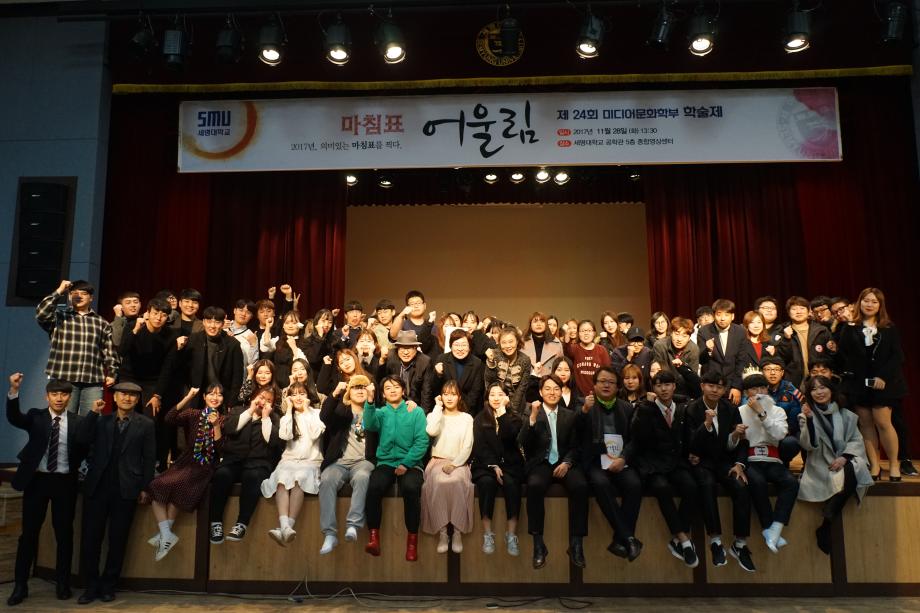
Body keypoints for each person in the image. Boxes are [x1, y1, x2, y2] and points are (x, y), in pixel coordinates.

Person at [75, 382, 156, 604]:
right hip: (97, 487)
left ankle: (109, 586)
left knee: (118, 540)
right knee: (91, 539)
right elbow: (81, 439)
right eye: (123, 394)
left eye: (132, 395)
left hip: (126, 489)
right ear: (115, 397)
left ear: (137, 400)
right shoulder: (101, 420)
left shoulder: (146, 424)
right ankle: (91, 586)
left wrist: (145, 487)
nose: (127, 398)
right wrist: (93, 413)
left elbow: (149, 458)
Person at [6, 375, 82, 606]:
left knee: (64, 535)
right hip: (37, 481)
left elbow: (87, 445)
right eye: (54, 394)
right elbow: (15, 418)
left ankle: (62, 584)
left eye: (64, 394)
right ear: (47, 396)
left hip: (65, 483)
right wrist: (14, 390)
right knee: (29, 534)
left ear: (69, 397)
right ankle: (20, 586)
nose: (59, 398)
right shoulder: (35, 417)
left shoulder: (78, 421)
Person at [623, 371, 699, 568]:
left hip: (675, 462)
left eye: (667, 384)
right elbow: (637, 437)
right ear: (653, 388)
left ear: (674, 386)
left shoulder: (682, 408)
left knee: (691, 486)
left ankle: (677, 540)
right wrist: (646, 408)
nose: (663, 389)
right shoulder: (644, 408)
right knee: (662, 488)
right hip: (652, 465)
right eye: (658, 385)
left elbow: (688, 436)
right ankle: (683, 539)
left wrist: (693, 453)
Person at [145, 384, 224, 562]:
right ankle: (166, 534)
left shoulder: (224, 419)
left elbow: (221, 449)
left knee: (179, 488)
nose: (215, 397)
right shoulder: (193, 414)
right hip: (186, 461)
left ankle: (165, 535)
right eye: (211, 394)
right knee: (156, 485)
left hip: (205, 465)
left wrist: (216, 425)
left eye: (219, 395)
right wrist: (188, 397)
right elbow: (169, 418)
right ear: (204, 397)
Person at [518, 375, 589, 569]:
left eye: (556, 389)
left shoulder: (570, 415)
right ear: (541, 393)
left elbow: (576, 445)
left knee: (581, 486)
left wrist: (567, 462)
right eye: (547, 389)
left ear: (561, 391)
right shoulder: (531, 412)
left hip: (564, 462)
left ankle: (576, 544)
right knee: (534, 485)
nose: (552, 392)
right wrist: (532, 419)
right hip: (541, 463)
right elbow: (522, 442)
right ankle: (538, 544)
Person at [798, 375, 874, 555]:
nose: (819, 392)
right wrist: (810, 420)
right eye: (814, 389)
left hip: (843, 458)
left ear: (831, 391)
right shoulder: (805, 415)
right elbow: (808, 445)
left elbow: (856, 440)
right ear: (809, 394)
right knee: (849, 474)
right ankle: (827, 523)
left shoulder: (846, 415)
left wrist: (844, 457)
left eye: (822, 387)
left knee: (852, 468)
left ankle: (826, 522)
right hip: (821, 461)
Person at [837, 288, 907, 481]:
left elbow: (897, 356)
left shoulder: (888, 327)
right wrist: (847, 325)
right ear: (859, 303)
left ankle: (894, 464)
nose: (869, 304)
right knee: (865, 424)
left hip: (884, 384)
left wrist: (882, 377)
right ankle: (875, 465)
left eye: (874, 302)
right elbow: (844, 354)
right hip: (859, 383)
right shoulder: (850, 327)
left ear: (880, 305)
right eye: (866, 300)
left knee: (883, 423)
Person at [684, 371, 752, 570]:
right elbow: (691, 445)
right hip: (702, 462)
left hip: (725, 461)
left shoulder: (730, 408)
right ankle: (715, 541)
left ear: (724, 390)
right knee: (707, 485)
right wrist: (706, 424)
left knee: (741, 485)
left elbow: (742, 440)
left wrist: (739, 464)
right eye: (711, 385)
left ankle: (740, 544)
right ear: (702, 386)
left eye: (720, 387)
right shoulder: (691, 409)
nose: (715, 390)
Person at [579, 367, 643, 562]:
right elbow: (576, 437)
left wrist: (623, 458)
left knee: (634, 484)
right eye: (602, 381)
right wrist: (584, 412)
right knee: (600, 483)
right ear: (594, 385)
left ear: (617, 386)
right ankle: (629, 538)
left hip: (620, 460)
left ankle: (620, 541)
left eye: (611, 382)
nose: (606, 385)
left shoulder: (627, 408)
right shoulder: (584, 405)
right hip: (595, 462)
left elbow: (635, 440)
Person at [363, 376, 429, 561]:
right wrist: (370, 401)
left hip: (411, 463)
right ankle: (374, 538)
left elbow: (422, 442)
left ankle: (412, 543)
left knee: (411, 488)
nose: (392, 390)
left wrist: (405, 464)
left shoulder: (415, 412)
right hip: (386, 462)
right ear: (383, 394)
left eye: (396, 387)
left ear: (403, 390)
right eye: (388, 388)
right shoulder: (381, 412)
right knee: (374, 486)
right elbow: (369, 424)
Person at [737, 368, 799, 560]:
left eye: (762, 388)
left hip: (773, 459)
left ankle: (775, 528)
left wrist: (762, 413)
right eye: (754, 389)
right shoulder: (739, 412)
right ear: (746, 393)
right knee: (757, 483)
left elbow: (780, 435)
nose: (759, 393)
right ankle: (768, 528)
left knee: (791, 482)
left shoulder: (777, 410)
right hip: (751, 460)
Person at [35, 279, 118, 415]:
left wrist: (112, 372)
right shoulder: (60, 317)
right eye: (74, 293)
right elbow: (41, 313)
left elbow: (108, 349)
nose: (78, 296)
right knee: (64, 419)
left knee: (92, 420)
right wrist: (59, 291)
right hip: (65, 378)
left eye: (83, 293)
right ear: (69, 296)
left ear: (91, 298)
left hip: (92, 380)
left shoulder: (101, 322)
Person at [208, 387, 279, 544]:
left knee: (253, 477)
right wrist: (250, 411)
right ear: (253, 397)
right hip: (233, 459)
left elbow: (272, 441)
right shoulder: (238, 411)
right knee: (222, 475)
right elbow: (230, 429)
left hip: (258, 463)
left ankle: (241, 524)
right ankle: (215, 523)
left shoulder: (273, 418)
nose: (263, 402)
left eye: (269, 400)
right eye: (261, 397)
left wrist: (265, 417)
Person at [318, 374, 378, 555]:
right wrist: (335, 393)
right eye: (355, 387)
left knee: (362, 477)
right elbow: (324, 416)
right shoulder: (341, 412)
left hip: (363, 461)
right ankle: (330, 534)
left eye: (363, 387)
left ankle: (353, 524)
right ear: (349, 392)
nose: (359, 390)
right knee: (326, 480)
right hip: (339, 462)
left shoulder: (374, 412)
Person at [261, 381, 325, 546]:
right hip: (289, 460)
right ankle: (285, 526)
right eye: (294, 394)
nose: (298, 397)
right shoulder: (286, 417)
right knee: (282, 480)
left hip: (310, 461)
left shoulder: (317, 413)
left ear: (308, 396)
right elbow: (285, 436)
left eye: (302, 394)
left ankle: (285, 527)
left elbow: (315, 434)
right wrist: (289, 410)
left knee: (299, 480)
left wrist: (306, 411)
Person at [119, 297, 179, 472]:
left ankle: (150, 463)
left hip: (152, 381)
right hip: (129, 377)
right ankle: (123, 459)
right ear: (148, 313)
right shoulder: (134, 327)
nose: (159, 318)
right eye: (155, 313)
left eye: (163, 315)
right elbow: (122, 351)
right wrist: (135, 331)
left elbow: (167, 368)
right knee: (126, 417)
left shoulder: (171, 335)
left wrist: (157, 395)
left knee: (150, 420)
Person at [422, 381, 475, 554]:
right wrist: (437, 407)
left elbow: (468, 445)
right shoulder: (434, 414)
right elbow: (431, 431)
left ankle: (457, 531)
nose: (449, 397)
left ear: (459, 397)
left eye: (453, 394)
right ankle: (443, 532)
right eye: (445, 394)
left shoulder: (467, 418)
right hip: (437, 461)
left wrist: (454, 464)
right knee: (439, 481)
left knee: (457, 480)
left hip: (459, 461)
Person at [471, 383, 524, 556]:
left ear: (507, 398)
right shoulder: (480, 418)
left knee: (512, 484)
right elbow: (480, 447)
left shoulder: (515, 419)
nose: (496, 398)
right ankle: (488, 534)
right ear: (487, 398)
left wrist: (502, 413)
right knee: (486, 483)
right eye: (492, 394)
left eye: (500, 394)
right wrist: (493, 466)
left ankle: (511, 535)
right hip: (486, 465)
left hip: (510, 464)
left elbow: (509, 438)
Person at [696, 299, 747, 405]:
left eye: (726, 315)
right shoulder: (704, 331)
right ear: (714, 315)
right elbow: (701, 360)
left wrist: (736, 387)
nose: (722, 318)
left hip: (731, 385)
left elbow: (741, 361)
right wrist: (708, 350)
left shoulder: (740, 331)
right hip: (711, 385)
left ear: (732, 316)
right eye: (719, 314)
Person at [758, 356, 803, 466]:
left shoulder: (791, 391)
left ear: (782, 372)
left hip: (784, 433)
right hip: (760, 432)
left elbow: (794, 421)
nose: (772, 373)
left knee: (791, 442)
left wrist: (781, 431)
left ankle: (783, 463)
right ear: (761, 372)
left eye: (776, 369)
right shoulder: (756, 388)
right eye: (768, 369)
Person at [779, 295, 832, 388]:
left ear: (809, 311)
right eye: (794, 309)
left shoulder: (822, 330)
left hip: (819, 380)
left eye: (802, 308)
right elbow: (781, 359)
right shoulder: (781, 331)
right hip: (793, 382)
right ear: (788, 312)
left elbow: (830, 356)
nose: (798, 312)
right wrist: (786, 339)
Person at [430, 330, 485, 412]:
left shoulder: (477, 363)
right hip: (445, 409)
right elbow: (434, 389)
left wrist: (461, 412)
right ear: (450, 346)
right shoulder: (442, 359)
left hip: (467, 410)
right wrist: (438, 374)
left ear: (469, 347)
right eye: (456, 345)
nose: (460, 349)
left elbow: (475, 393)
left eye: (464, 345)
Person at [485, 327, 533, 417]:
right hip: (496, 399)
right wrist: (491, 361)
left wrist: (512, 411)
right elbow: (489, 382)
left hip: (517, 403)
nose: (508, 346)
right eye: (504, 342)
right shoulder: (494, 355)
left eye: (511, 341)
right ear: (499, 343)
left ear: (517, 341)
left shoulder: (525, 360)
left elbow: (521, 388)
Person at [652, 317, 702, 400]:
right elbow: (658, 374)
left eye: (684, 336)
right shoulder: (660, 345)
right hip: (664, 389)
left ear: (689, 338)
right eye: (677, 334)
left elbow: (693, 378)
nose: (679, 339)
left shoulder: (694, 349)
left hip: (686, 393)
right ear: (671, 333)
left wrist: (683, 367)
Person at [382, 330, 434, 406]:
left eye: (409, 348)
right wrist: (382, 361)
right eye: (402, 348)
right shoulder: (390, 357)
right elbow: (380, 381)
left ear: (416, 349)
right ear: (397, 348)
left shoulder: (425, 362)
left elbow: (426, 392)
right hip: (392, 403)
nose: (406, 352)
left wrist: (421, 412)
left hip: (415, 404)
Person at [521, 312, 564, 401]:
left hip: (549, 388)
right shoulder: (522, 342)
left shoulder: (556, 343)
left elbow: (560, 367)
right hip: (527, 387)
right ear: (530, 325)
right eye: (535, 321)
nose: (539, 324)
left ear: (546, 324)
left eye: (542, 321)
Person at [564, 320, 612, 397]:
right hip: (579, 396)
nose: (586, 333)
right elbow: (566, 350)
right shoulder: (574, 349)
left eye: (589, 330)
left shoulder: (602, 350)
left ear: (594, 333)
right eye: (583, 331)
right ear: (578, 333)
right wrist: (566, 334)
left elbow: (608, 373)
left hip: (598, 395)